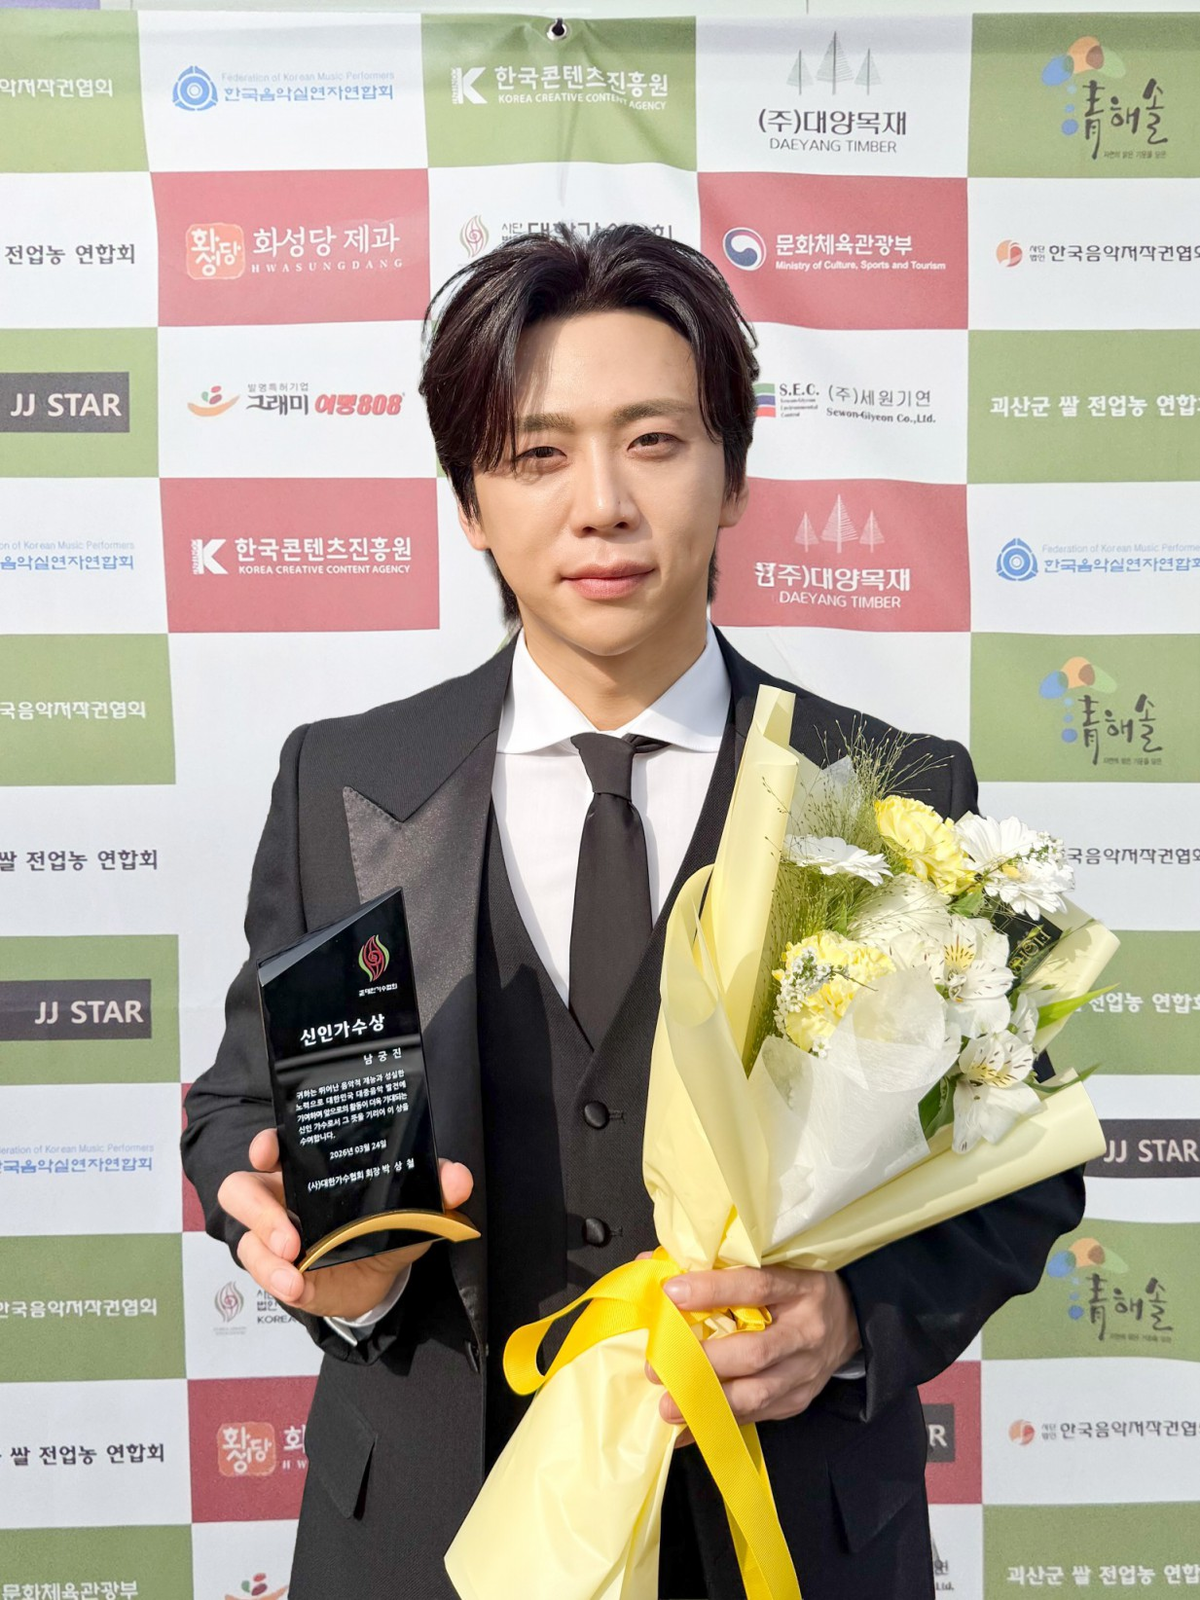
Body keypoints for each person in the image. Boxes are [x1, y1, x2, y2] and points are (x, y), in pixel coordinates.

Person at [182, 224, 1083, 1600]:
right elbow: (239, 1106)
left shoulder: (890, 791)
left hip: (777, 1525)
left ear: (734, 474)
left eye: (653, 441)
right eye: (536, 454)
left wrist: (850, 1320)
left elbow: (1018, 1168)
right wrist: (310, 1245)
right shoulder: (343, 781)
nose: (600, 504)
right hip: (428, 1530)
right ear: (470, 504)